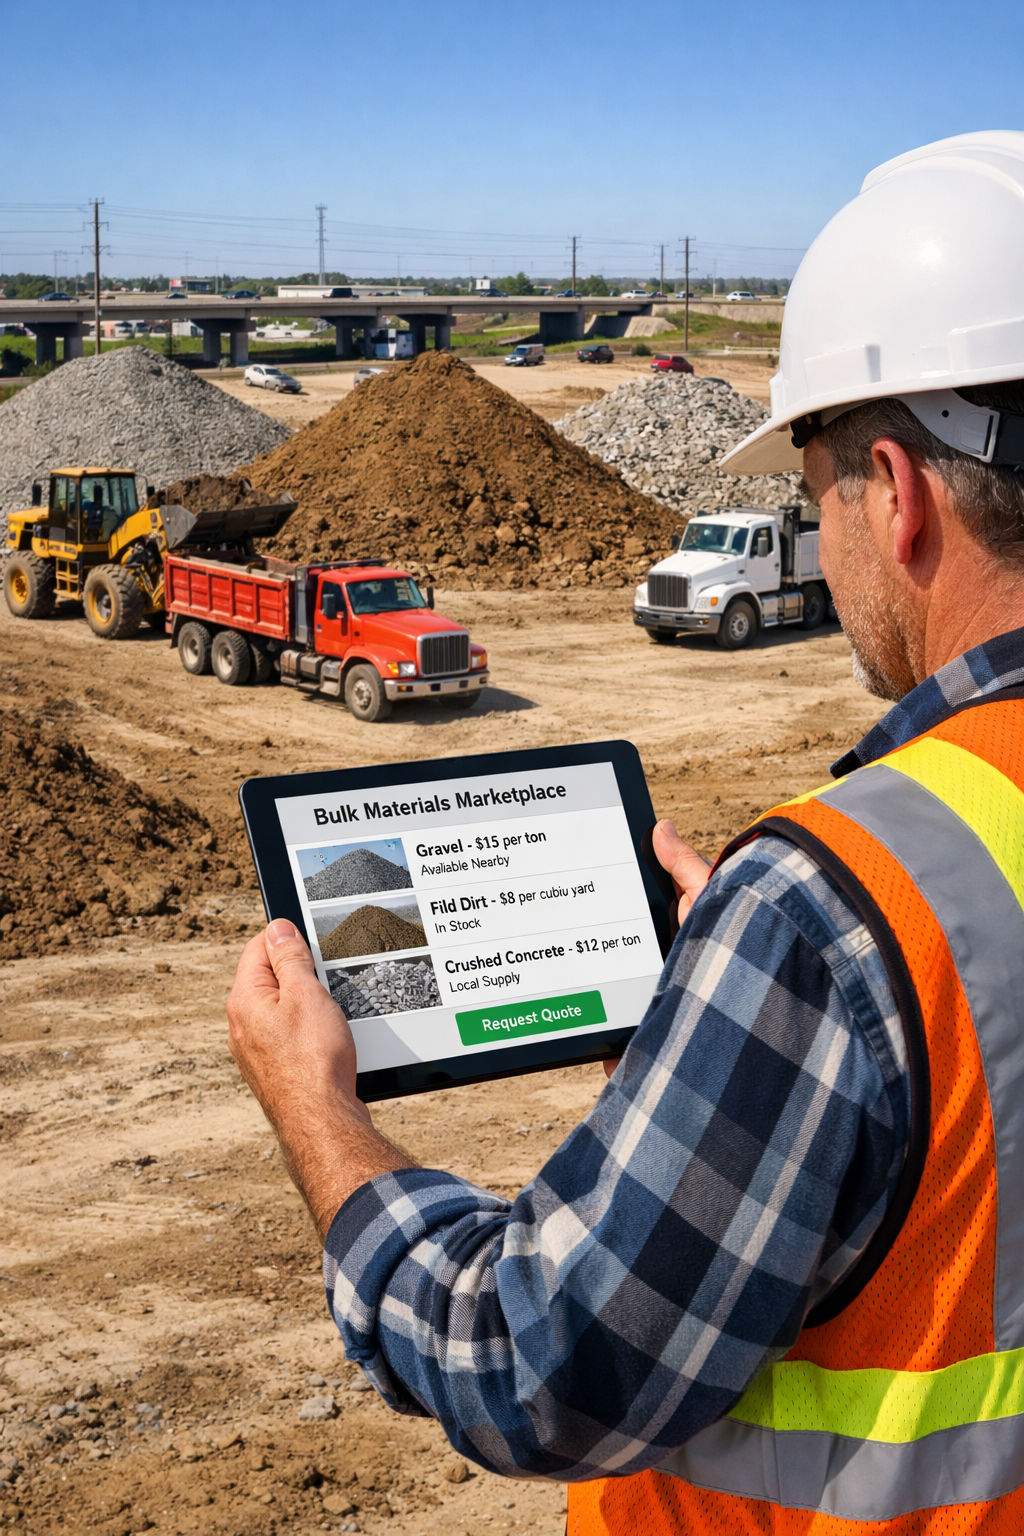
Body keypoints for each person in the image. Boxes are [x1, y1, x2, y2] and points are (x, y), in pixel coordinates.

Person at [228, 130, 1024, 1531]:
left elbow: (540, 1362)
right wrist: (768, 1003)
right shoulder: (851, 912)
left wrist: (318, 1112)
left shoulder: (832, 911)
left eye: (812, 485)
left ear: (892, 494)